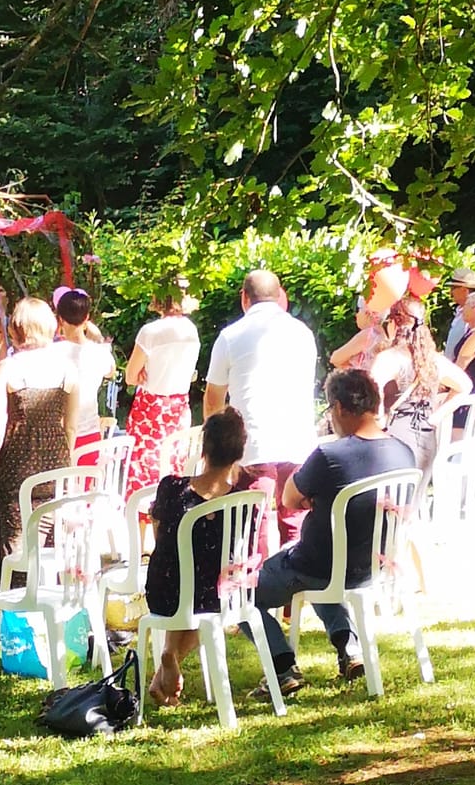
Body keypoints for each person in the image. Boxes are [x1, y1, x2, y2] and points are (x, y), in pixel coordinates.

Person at [250, 366, 415, 693]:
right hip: (372, 566)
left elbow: (288, 498)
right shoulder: (404, 451)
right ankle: (350, 648)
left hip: (319, 565)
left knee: (241, 592)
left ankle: (282, 667)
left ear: (339, 408)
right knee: (326, 566)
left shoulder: (329, 455)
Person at [142, 408, 247, 705]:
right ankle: (170, 656)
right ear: (238, 453)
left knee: (183, 574)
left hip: (163, 590)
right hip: (212, 593)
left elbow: (160, 534)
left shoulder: (171, 487)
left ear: (204, 448)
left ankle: (168, 655)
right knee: (205, 592)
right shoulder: (242, 498)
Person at [202, 270, 318, 527]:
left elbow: (213, 401)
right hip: (297, 438)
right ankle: (293, 567)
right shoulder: (303, 333)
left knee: (254, 523)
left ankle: (258, 569)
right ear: (280, 297)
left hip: (252, 443)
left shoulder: (230, 336)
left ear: (244, 298)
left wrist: (218, 452)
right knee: (295, 520)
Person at [332, 250, 465, 458]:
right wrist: (434, 419)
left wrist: (380, 419)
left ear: (394, 323)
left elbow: (370, 397)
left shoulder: (389, 359)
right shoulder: (433, 360)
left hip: (395, 445)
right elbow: (465, 386)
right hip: (426, 445)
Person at [0, 296, 83, 578]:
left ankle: (14, 607)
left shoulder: (8, 367)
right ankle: (50, 603)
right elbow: (71, 426)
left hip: (16, 467)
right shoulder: (68, 368)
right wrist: (65, 461)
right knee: (54, 543)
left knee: (15, 546)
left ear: (16, 329)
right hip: (55, 465)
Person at [123, 282, 201, 496]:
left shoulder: (151, 332)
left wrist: (142, 374)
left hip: (151, 409)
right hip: (178, 407)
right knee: (174, 467)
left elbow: (130, 376)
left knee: (144, 472)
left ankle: (140, 524)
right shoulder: (191, 331)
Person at [53, 287, 114, 466]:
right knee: (86, 488)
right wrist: (98, 338)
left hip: (58, 433)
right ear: (86, 318)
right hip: (90, 432)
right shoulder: (99, 353)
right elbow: (111, 371)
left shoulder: (52, 353)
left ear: (60, 319)